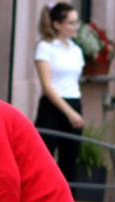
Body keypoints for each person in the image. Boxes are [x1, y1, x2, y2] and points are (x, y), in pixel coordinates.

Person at [33, 2, 85, 189]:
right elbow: (47, 86)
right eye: (71, 23)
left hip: (74, 101)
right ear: (57, 24)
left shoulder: (76, 50)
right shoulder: (45, 48)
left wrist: (75, 111)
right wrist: (70, 113)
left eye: (76, 22)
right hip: (52, 106)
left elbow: (74, 81)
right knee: (43, 160)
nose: (75, 27)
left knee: (69, 162)